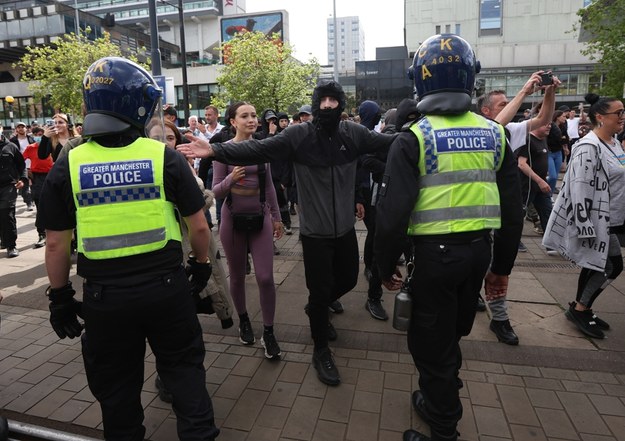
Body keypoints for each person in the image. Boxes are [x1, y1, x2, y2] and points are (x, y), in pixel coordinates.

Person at [38, 57, 219, 441]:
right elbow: (199, 226)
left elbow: (56, 243)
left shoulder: (69, 162)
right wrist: (200, 267)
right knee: (186, 378)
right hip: (168, 290)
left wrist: (60, 298)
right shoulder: (162, 156)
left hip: (105, 301)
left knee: (118, 399)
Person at [179, 80, 395, 386]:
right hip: (315, 233)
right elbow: (258, 147)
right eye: (324, 100)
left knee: (347, 279)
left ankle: (316, 309)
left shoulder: (353, 134)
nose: (329, 106)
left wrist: (421, 133)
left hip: (345, 230)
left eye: (335, 100)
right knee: (319, 292)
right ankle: (320, 350)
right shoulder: (298, 135)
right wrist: (214, 149)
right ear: (317, 102)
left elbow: (389, 143)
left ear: (341, 105)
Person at [374, 34, 523, 441]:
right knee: (452, 331)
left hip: (435, 260)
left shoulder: (414, 138)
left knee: (429, 343)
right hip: (479, 254)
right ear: (469, 79)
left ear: (418, 83)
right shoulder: (495, 135)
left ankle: (443, 427)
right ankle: (439, 392)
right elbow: (513, 211)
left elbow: (390, 217)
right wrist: (501, 269)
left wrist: (384, 267)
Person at [476, 71, 559, 345]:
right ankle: (472, 295)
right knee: (476, 257)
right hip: (479, 208)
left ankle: (499, 318)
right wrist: (524, 91)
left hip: (507, 209)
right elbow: (494, 126)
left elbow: (544, 119)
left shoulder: (512, 130)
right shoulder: (479, 129)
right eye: (502, 103)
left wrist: (549, 92)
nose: (508, 105)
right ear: (485, 110)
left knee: (502, 263)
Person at [543, 93, 625, 340]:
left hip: (614, 216)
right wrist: (583, 223)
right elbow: (578, 186)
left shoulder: (613, 142)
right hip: (597, 220)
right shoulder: (588, 147)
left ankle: (582, 307)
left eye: (623, 112)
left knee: (598, 264)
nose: (622, 117)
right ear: (600, 117)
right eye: (618, 113)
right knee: (611, 266)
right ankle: (580, 309)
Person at [211, 102, 284, 359]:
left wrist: (276, 218)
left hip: (260, 219)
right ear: (233, 122)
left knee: (265, 277)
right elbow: (215, 191)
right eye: (245, 116)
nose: (251, 120)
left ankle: (269, 331)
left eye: (254, 115)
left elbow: (270, 188)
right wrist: (231, 179)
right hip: (232, 221)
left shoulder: (263, 150)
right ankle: (243, 320)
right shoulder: (224, 151)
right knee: (238, 274)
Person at [516, 122, 556, 252]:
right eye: (546, 123)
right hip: (526, 186)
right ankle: (515, 241)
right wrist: (539, 181)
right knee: (519, 214)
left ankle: (551, 243)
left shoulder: (543, 139)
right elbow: (522, 164)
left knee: (548, 212)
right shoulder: (527, 140)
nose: (549, 126)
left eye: (550, 124)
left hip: (541, 186)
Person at [22, 126, 52, 248]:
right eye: (37, 134)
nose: (39, 136)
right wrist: (27, 174)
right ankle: (42, 234)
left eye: (42, 134)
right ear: (33, 135)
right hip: (37, 178)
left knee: (54, 205)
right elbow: (20, 161)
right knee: (40, 206)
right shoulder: (30, 148)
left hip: (52, 175)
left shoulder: (51, 145)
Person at [0, 128, 28, 258]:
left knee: (7, 215)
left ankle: (11, 245)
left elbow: (21, 165)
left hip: (8, 186)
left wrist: (22, 179)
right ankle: (4, 240)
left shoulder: (11, 146)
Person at [9, 121, 35, 211]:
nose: (21, 128)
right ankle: (29, 202)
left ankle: (33, 199)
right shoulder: (12, 141)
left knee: (35, 185)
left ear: (26, 128)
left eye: (22, 127)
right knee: (25, 185)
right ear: (16, 129)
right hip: (21, 166)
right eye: (19, 127)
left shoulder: (31, 139)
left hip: (33, 165)